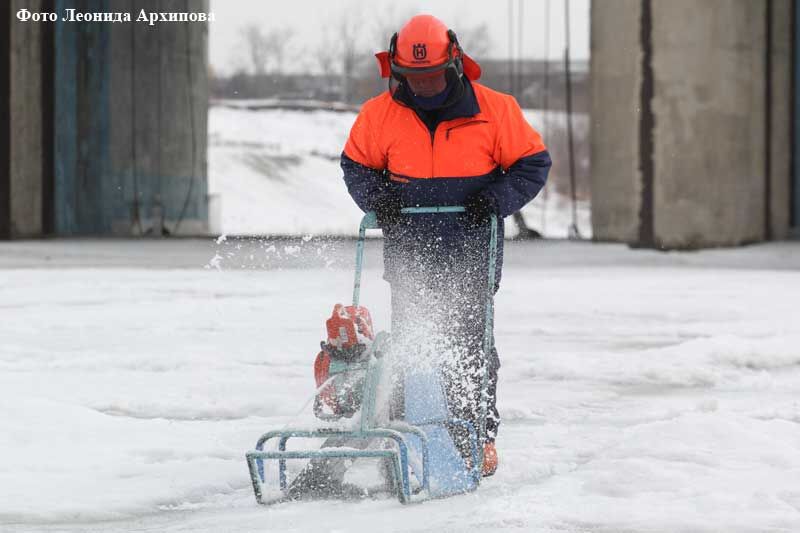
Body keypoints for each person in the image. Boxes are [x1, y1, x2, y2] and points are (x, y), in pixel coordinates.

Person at [340, 14, 551, 477]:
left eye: (433, 75)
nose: (426, 86)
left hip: (472, 249)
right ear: (397, 71)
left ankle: (477, 435)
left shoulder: (495, 109)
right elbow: (356, 167)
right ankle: (410, 430)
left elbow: (533, 165)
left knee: (470, 344)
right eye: (415, 78)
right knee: (413, 342)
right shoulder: (379, 114)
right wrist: (381, 202)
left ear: (455, 63)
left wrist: (495, 200)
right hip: (410, 253)